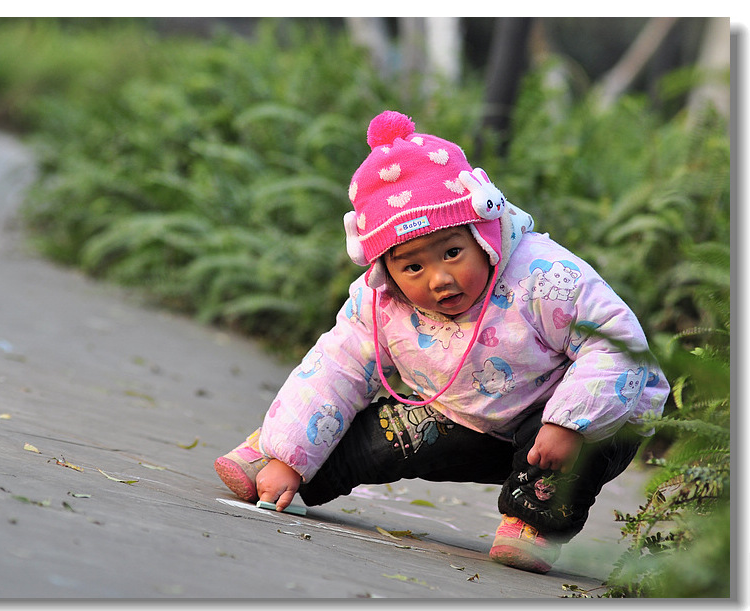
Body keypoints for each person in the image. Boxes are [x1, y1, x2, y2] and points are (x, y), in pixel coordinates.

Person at [214, 110, 668, 573]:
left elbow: (616, 344)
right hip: (465, 414)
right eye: (413, 267)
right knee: (374, 443)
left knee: (564, 450)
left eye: (453, 253)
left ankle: (533, 520)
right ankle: (276, 460)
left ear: (483, 231)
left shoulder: (544, 277)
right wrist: (292, 459)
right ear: (385, 271)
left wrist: (572, 422)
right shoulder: (380, 302)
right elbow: (336, 368)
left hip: (577, 418)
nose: (440, 279)